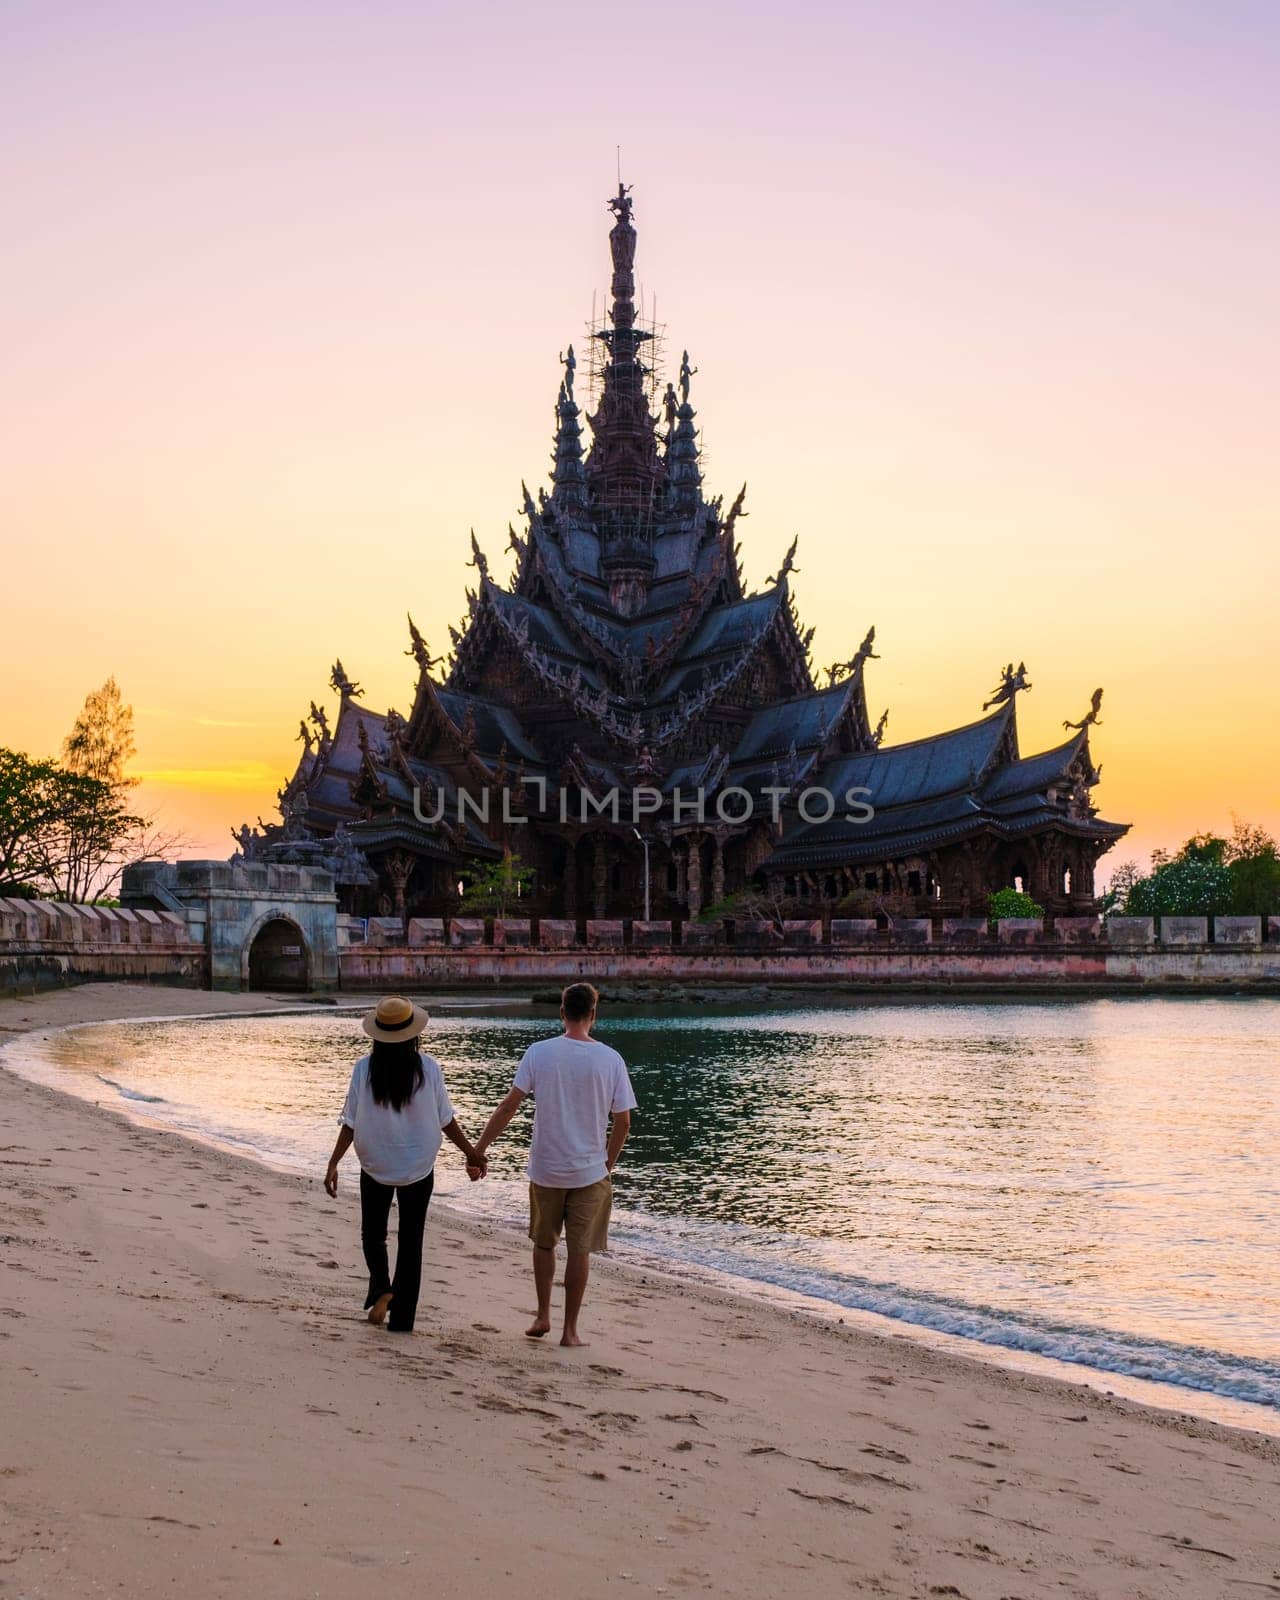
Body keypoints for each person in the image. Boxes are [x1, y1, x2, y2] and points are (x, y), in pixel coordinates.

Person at [472, 982, 636, 1347]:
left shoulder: (539, 1053)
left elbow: (508, 1107)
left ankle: (542, 1314)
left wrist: (479, 1149)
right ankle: (570, 1331)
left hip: (546, 1169)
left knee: (544, 1244)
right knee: (579, 1250)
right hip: (590, 1172)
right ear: (593, 1014)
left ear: (562, 1012)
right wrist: (608, 1162)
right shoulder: (611, 1059)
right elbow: (623, 1121)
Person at [324, 995, 483, 1333]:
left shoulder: (364, 1069)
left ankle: (382, 1287)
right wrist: (470, 1152)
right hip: (418, 1164)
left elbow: (350, 1123)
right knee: (411, 1240)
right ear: (413, 1035)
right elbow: (446, 1120)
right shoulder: (429, 1068)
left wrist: (333, 1163)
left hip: (376, 1162)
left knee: (373, 1233)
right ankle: (402, 1320)